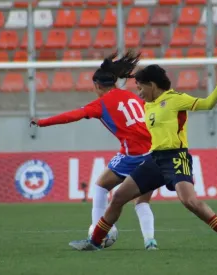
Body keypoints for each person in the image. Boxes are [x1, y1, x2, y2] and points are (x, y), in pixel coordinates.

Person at [68, 65, 217, 251]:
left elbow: (207, 104)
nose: (138, 92)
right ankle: (95, 242)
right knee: (119, 196)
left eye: (140, 87)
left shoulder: (176, 99)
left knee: (190, 202)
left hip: (176, 157)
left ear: (152, 85)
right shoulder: (147, 105)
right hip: (155, 159)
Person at [30, 51, 158, 250]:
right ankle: (150, 242)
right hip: (154, 153)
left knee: (100, 186)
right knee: (141, 202)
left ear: (97, 86)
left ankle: (96, 236)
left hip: (132, 155)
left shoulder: (101, 104)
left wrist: (43, 122)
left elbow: (73, 115)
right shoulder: (132, 96)